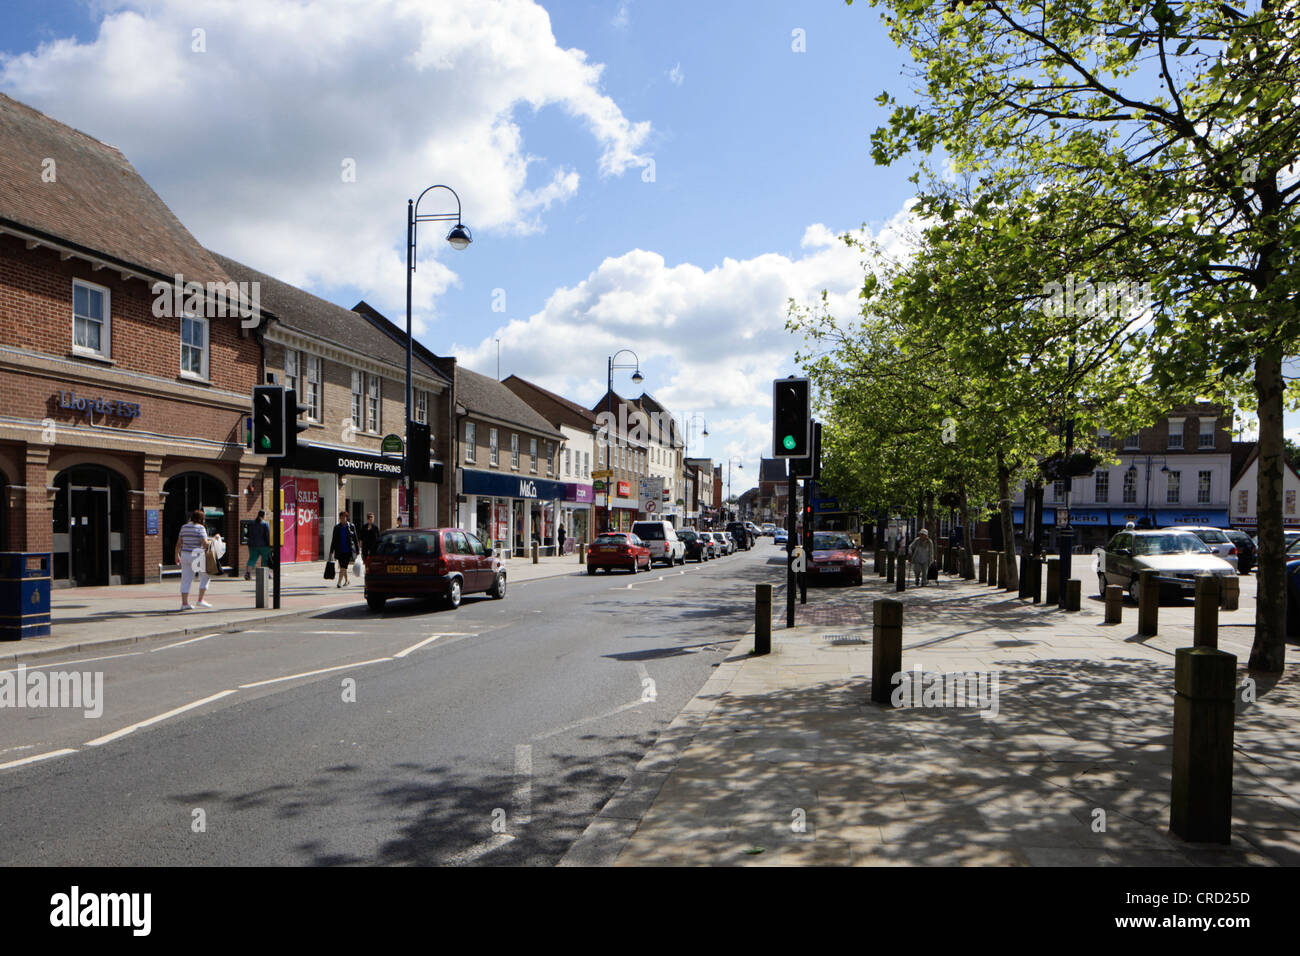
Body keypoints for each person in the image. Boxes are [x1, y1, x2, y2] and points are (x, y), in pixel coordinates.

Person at [176, 509, 211, 610]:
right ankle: (200, 600)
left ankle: (184, 603)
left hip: (185, 555)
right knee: (205, 577)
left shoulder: (184, 527)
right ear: (201, 519)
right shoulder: (200, 528)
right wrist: (214, 540)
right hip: (197, 555)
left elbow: (179, 543)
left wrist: (176, 555)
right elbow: (204, 543)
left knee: (186, 579)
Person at [329, 510, 360, 587]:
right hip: (339, 550)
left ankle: (339, 582)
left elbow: (355, 538)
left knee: (343, 566)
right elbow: (334, 539)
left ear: (346, 517)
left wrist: (358, 550)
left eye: (344, 517)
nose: (342, 519)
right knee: (343, 567)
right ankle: (347, 580)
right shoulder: (337, 527)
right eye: (341, 518)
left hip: (348, 550)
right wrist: (331, 551)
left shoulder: (351, 526)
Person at [244, 510, 272, 580]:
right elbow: (267, 535)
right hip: (264, 546)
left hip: (252, 545)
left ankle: (248, 573)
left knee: (252, 559)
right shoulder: (265, 524)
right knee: (265, 560)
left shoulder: (252, 523)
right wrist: (270, 545)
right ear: (263, 516)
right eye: (265, 515)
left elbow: (247, 534)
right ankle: (267, 574)